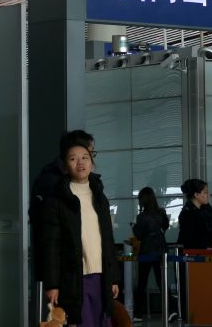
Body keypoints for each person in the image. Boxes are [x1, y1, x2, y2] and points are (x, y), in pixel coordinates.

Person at [42, 132, 119, 327]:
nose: (80, 163)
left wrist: (114, 278)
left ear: (92, 162)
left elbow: (108, 240)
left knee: (103, 322)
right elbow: (51, 245)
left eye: (85, 157)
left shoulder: (100, 196)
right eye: (73, 159)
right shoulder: (57, 199)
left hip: (102, 276)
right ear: (65, 165)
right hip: (76, 277)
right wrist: (52, 284)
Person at [31, 130, 96, 283]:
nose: (90, 160)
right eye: (89, 154)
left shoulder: (76, 182)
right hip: (61, 269)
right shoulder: (52, 182)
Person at [176, 178, 212, 322]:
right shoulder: (186, 213)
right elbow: (190, 239)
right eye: (205, 192)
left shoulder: (207, 209)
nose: (208, 195)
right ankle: (190, 316)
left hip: (206, 255)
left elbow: (211, 230)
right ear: (196, 195)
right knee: (191, 288)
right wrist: (210, 244)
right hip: (191, 256)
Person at [132, 187, 169, 322]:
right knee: (162, 282)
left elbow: (139, 235)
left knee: (142, 283)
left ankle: (138, 313)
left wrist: (134, 226)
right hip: (161, 251)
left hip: (146, 251)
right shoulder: (162, 213)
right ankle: (169, 311)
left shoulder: (141, 217)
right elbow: (165, 226)